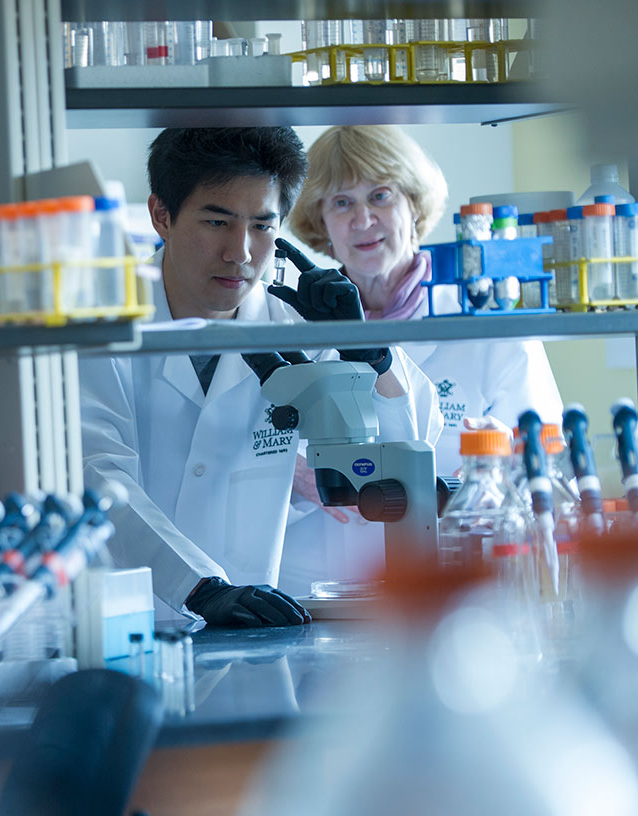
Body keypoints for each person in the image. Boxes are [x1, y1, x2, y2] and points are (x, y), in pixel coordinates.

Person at [79, 127, 442, 628]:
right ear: (162, 215)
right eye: (216, 222)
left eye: (262, 226)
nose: (241, 252)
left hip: (251, 636)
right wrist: (200, 588)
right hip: (123, 631)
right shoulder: (102, 326)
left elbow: (409, 450)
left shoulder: (296, 326)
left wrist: (371, 353)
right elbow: (99, 476)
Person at [279, 125, 562, 595]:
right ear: (321, 223)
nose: (363, 219)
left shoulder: (490, 330)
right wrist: (291, 475)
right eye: (342, 203)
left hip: (458, 590)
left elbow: (543, 472)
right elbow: (252, 460)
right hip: (320, 592)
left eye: (381, 196)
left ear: (414, 204)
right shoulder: (292, 328)